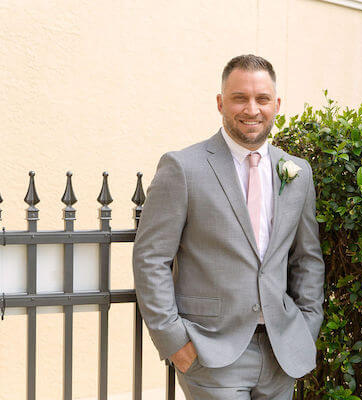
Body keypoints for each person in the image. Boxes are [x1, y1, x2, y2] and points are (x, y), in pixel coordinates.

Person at [133, 54, 324, 400]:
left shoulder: (298, 172)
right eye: (240, 98)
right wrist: (174, 341)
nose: (252, 109)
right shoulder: (183, 168)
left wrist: (307, 326)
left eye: (262, 99)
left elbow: (307, 259)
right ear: (221, 102)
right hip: (211, 353)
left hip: (282, 353)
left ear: (276, 105)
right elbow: (151, 259)